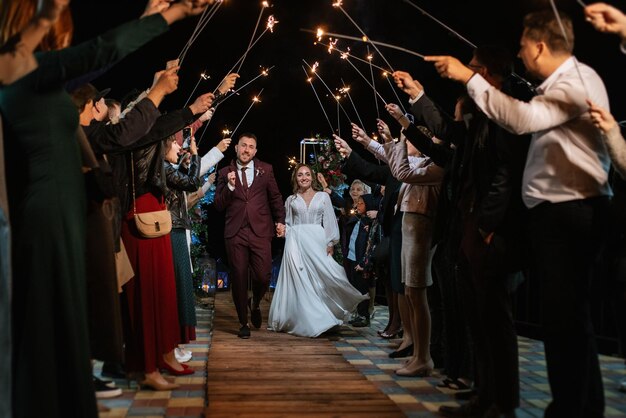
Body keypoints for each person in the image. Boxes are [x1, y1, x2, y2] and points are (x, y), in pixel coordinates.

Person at [0, 0, 215, 415]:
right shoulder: (18, 70)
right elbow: (101, 51)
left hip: (63, 212)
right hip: (48, 215)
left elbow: (98, 56)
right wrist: (171, 15)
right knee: (48, 327)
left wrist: (146, 20)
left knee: (62, 328)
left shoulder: (36, 75)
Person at [425, 9, 611, 418]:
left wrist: (467, 77)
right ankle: (575, 406)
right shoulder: (559, 84)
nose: (521, 53)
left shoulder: (577, 82)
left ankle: (572, 409)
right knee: (565, 323)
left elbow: (523, 120)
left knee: (566, 323)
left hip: (570, 214)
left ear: (540, 44)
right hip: (555, 216)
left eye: (524, 44)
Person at [267, 164, 367, 337]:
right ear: (295, 178)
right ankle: (307, 319)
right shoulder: (290, 200)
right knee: (300, 279)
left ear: (312, 177)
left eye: (307, 174)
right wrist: (283, 231)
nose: (304, 177)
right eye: (300, 175)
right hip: (296, 243)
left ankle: (325, 314)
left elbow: (329, 221)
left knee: (321, 276)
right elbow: (289, 223)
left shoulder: (322, 197)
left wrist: (330, 242)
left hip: (316, 241)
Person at [214, 133, 286, 339]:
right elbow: (218, 204)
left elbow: (275, 197)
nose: (246, 149)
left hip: (261, 230)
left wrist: (280, 220)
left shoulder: (266, 170)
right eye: (243, 145)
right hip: (235, 232)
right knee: (238, 276)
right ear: (236, 148)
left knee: (263, 275)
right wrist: (229, 186)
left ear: (255, 151)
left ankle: (254, 303)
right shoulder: (225, 172)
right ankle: (242, 321)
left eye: (250, 147)